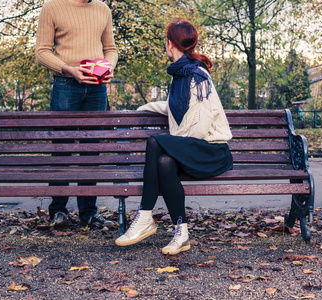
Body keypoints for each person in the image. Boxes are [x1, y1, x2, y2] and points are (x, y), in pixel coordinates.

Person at [115, 19, 233, 255]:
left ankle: (145, 215)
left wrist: (173, 143)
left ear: (170, 44)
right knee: (164, 163)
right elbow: (176, 107)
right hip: (193, 150)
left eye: (165, 42)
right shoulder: (180, 75)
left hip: (211, 152)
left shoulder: (198, 76)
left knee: (156, 141)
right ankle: (182, 233)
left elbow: (199, 128)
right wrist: (145, 107)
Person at [35, 0, 118, 228]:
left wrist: (109, 66)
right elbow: (41, 52)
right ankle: (58, 211)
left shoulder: (103, 9)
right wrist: (69, 69)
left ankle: (88, 213)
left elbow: (110, 49)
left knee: (92, 149)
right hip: (65, 85)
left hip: (97, 88)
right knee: (61, 148)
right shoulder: (51, 7)